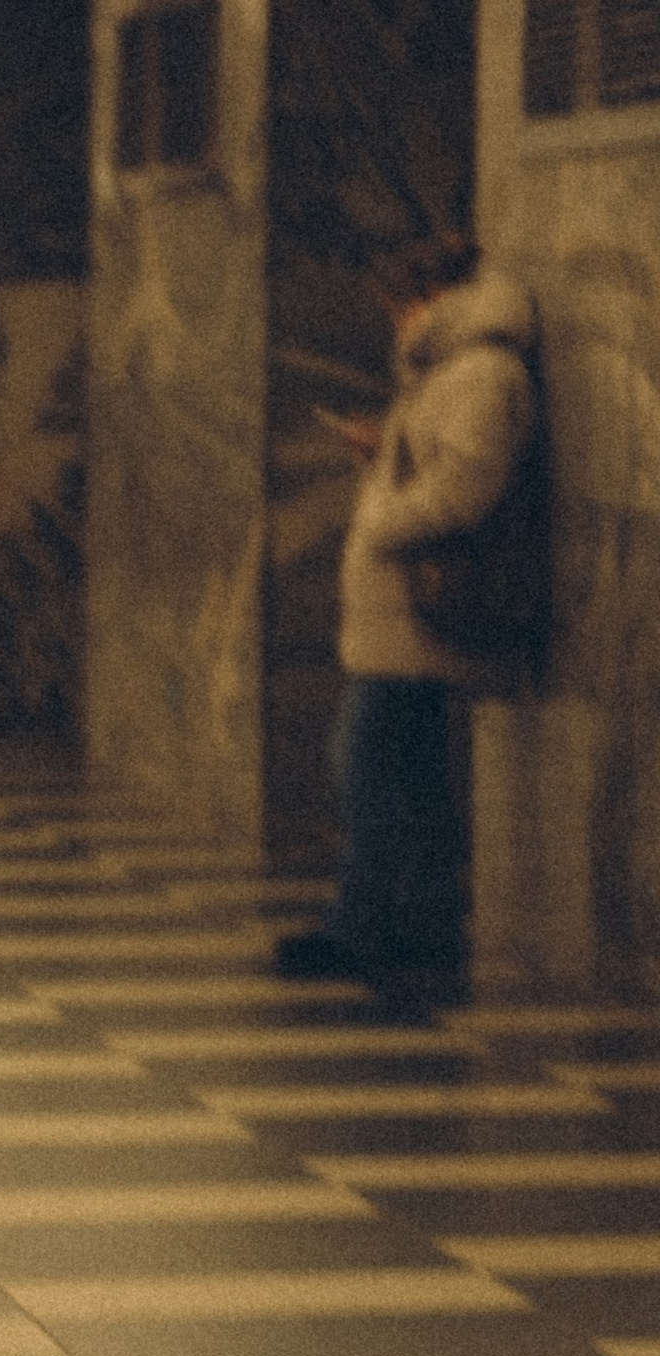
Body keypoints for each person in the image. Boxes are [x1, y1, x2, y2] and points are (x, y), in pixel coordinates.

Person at [277, 238, 542, 1010]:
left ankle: (364, 923)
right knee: (411, 775)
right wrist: (383, 452)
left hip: (417, 615)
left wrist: (379, 522)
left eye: (399, 308)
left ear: (433, 297)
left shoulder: (483, 374)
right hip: (396, 615)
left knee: (363, 766)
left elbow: (464, 490)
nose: (395, 325)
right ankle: (420, 918)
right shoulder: (449, 374)